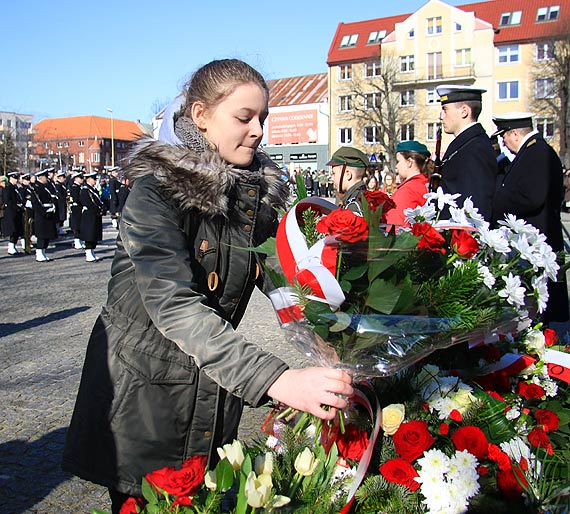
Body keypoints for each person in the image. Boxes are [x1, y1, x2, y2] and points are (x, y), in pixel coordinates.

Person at [62, 58, 353, 514]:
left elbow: (286, 288)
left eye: (263, 119)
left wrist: (339, 346)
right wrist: (278, 380)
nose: (257, 131)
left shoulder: (252, 201)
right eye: (243, 117)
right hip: (145, 401)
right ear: (200, 115)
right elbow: (175, 306)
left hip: (210, 391)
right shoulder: (155, 193)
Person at [491, 112, 569, 323]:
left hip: (537, 240)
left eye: (504, 136)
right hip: (534, 240)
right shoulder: (532, 151)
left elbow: (530, 197)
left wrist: (495, 204)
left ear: (514, 133)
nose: (504, 143)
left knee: (541, 312)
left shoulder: (537, 153)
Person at [436, 85, 498, 220]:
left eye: (445, 110)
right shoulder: (467, 144)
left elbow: (477, 205)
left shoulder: (476, 148)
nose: (441, 116)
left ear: (464, 111)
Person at [385, 141, 431, 227]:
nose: (396, 166)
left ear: (409, 162)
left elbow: (395, 227)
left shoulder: (407, 191)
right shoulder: (424, 184)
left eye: (398, 161)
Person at [327, 146, 370, 213]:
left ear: (348, 174)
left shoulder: (354, 204)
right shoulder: (354, 197)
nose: (332, 178)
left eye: (334, 173)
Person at [30, 169, 57, 262]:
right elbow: (36, 202)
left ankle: (43, 252)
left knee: (46, 234)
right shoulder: (37, 188)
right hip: (41, 215)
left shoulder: (45, 186)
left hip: (48, 212)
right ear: (41, 177)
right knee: (41, 235)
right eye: (46, 177)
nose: (47, 178)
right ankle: (39, 253)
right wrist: (44, 212)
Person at [80, 171, 105, 262]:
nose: (95, 181)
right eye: (94, 179)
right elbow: (88, 203)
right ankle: (88, 253)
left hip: (94, 215)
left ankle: (92, 252)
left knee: (94, 234)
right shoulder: (85, 190)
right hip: (89, 215)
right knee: (89, 235)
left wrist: (102, 209)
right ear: (89, 179)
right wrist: (97, 210)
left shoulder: (92, 189)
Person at [2, 170, 25, 255]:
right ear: (10, 178)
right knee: (13, 230)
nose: (16, 180)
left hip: (17, 211)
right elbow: (8, 200)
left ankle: (13, 246)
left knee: (17, 230)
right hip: (11, 212)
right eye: (15, 178)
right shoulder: (8, 188)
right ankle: (11, 247)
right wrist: (17, 206)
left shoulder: (15, 187)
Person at [69, 170, 85, 250]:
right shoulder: (74, 187)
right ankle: (77, 241)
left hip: (79, 208)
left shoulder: (79, 187)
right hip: (76, 208)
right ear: (76, 179)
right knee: (76, 225)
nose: (82, 179)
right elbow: (76, 198)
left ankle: (79, 240)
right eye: (80, 178)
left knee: (80, 224)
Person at [55, 170, 68, 236]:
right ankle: (58, 228)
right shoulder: (58, 185)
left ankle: (60, 227)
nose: (64, 179)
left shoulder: (63, 185)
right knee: (60, 216)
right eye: (63, 178)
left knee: (63, 215)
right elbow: (59, 194)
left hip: (63, 202)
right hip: (60, 203)